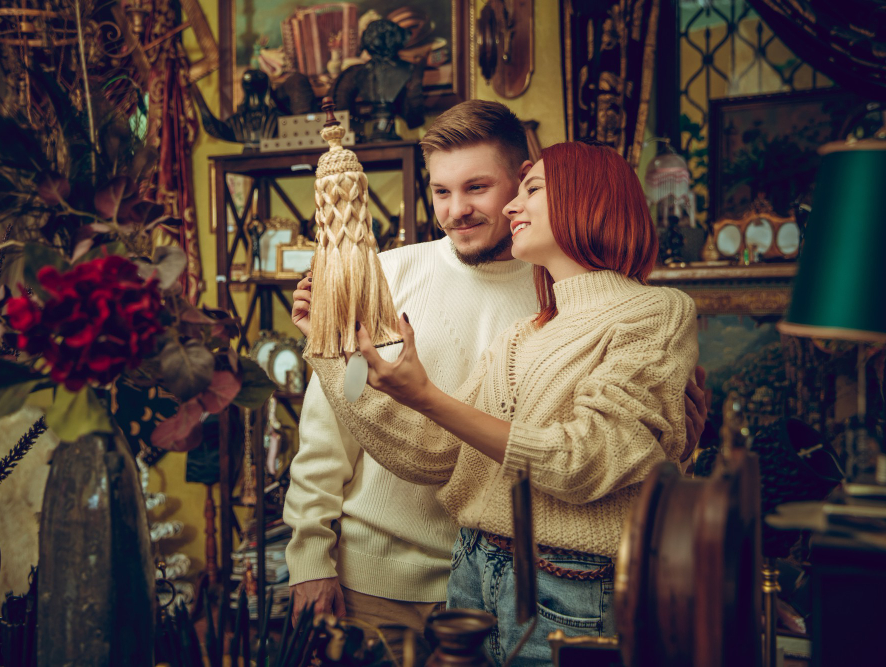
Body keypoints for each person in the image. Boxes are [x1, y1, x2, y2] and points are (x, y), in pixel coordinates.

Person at [284, 102, 707, 662]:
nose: (459, 210)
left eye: (483, 188)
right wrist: (309, 555)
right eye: (440, 192)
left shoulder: (605, 308)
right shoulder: (431, 292)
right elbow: (395, 446)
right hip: (418, 572)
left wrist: (670, 448)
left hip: (550, 582)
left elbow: (600, 456)